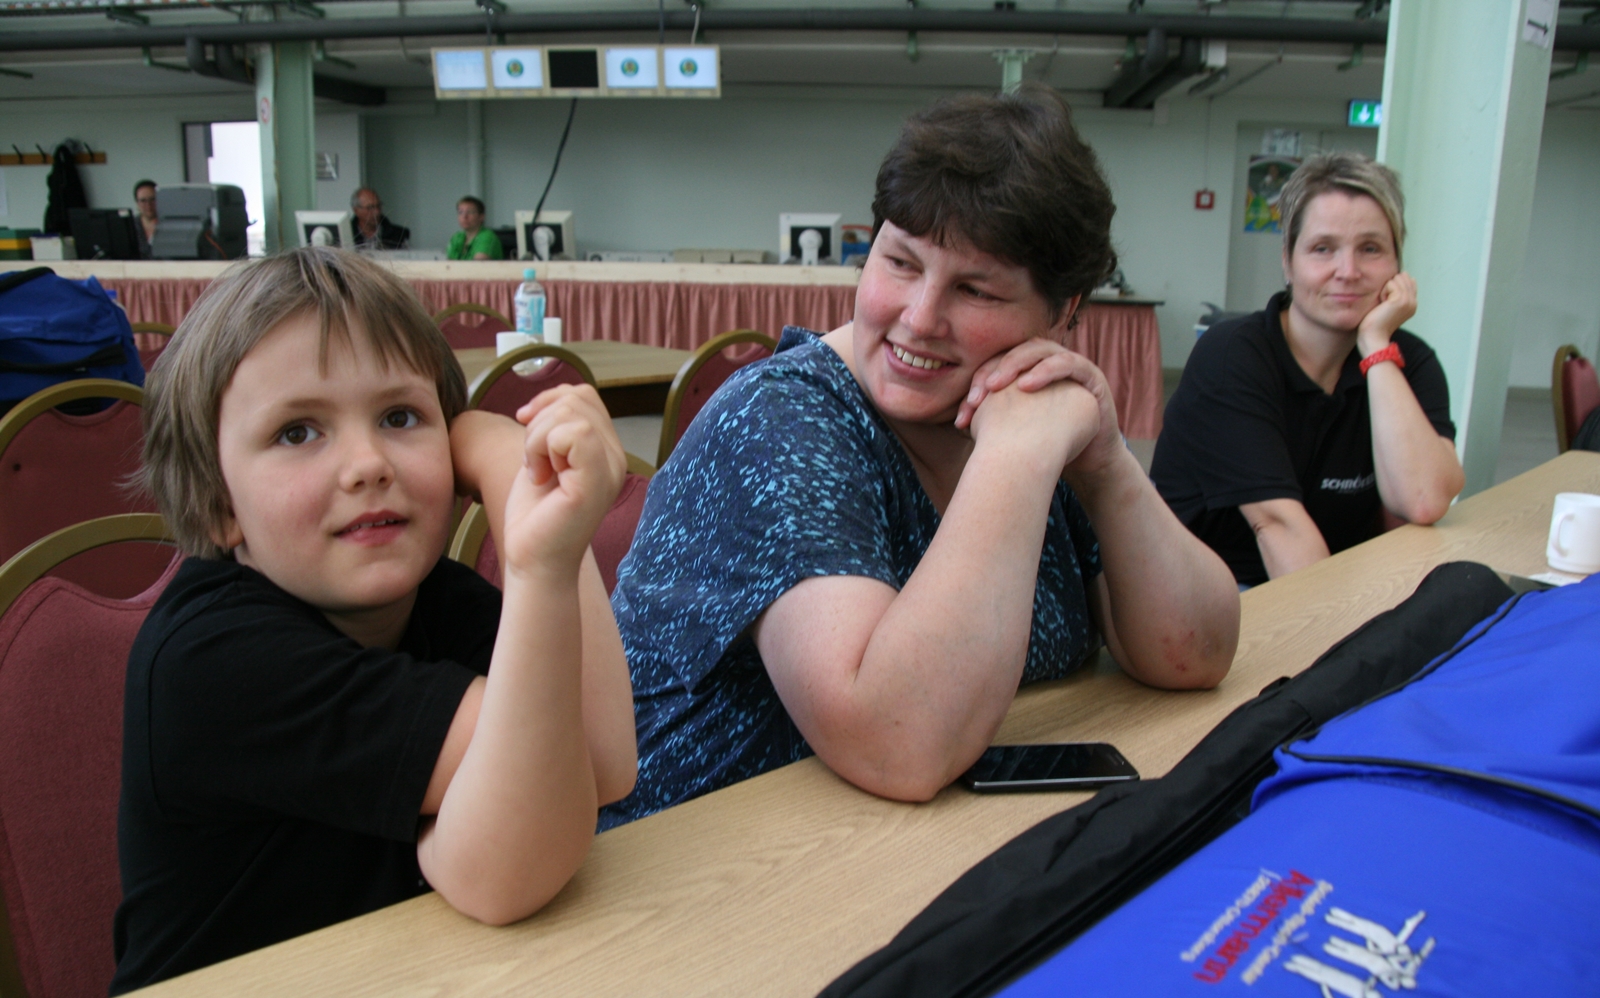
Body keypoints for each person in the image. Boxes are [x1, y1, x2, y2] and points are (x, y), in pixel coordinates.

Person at [601, 86, 1240, 829]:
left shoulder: (1030, 408)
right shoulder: (781, 420)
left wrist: (1105, 465)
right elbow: (896, 743)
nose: (919, 317)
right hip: (699, 864)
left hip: (916, 845)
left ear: (1063, 314)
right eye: (901, 263)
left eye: (975, 289)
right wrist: (1014, 459)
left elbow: (1194, 652)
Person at [112, 246, 636, 994]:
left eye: (400, 417)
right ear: (217, 503)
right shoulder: (213, 659)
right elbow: (514, 869)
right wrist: (529, 535)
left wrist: (533, 511)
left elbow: (599, 765)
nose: (367, 463)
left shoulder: (437, 600)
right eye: (298, 432)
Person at [1150, 153, 1464, 587]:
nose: (1348, 272)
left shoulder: (1409, 361)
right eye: (1323, 249)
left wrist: (1376, 345)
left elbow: (1424, 500)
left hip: (1335, 578)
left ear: (1397, 265)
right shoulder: (1232, 356)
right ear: (1288, 261)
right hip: (1215, 592)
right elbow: (1280, 529)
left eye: (1370, 249)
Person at [351, 186, 411, 251]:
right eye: (370, 208)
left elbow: (406, 256)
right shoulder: (347, 234)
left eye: (378, 206)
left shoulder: (399, 235)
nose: (376, 212)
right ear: (356, 210)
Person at [447, 196, 502, 261]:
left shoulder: (487, 237)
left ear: (481, 217)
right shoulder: (457, 237)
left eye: (470, 212)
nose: (464, 216)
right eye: (460, 212)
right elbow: (449, 263)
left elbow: (478, 265)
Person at [133, 179, 158, 258]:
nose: (148, 205)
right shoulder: (130, 226)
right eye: (143, 201)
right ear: (137, 203)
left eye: (152, 199)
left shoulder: (170, 226)